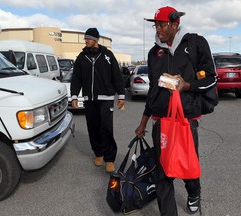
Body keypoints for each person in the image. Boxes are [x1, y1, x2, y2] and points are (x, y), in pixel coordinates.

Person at [135, 6, 217, 216]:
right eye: (155, 25)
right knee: (163, 172)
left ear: (174, 24)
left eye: (161, 25)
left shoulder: (196, 43)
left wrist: (187, 85)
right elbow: (153, 89)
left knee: (187, 165)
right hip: (160, 120)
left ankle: (194, 193)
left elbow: (211, 78)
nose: (157, 29)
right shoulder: (155, 52)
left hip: (186, 120)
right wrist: (143, 122)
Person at [71, 27, 125, 173]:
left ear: (95, 40)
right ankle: (98, 153)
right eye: (85, 38)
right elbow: (76, 78)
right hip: (89, 99)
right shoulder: (82, 58)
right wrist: (74, 96)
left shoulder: (107, 55)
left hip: (106, 98)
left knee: (106, 129)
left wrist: (121, 95)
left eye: (88, 38)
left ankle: (110, 159)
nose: (86, 41)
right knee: (93, 128)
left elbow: (116, 76)